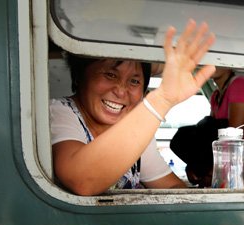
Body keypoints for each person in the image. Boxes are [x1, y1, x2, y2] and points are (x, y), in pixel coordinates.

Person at [49, 20, 215, 196]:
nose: (121, 91)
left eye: (134, 81)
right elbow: (81, 180)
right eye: (110, 75)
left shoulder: (135, 130)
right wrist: (162, 100)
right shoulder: (59, 111)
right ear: (78, 76)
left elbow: (173, 188)